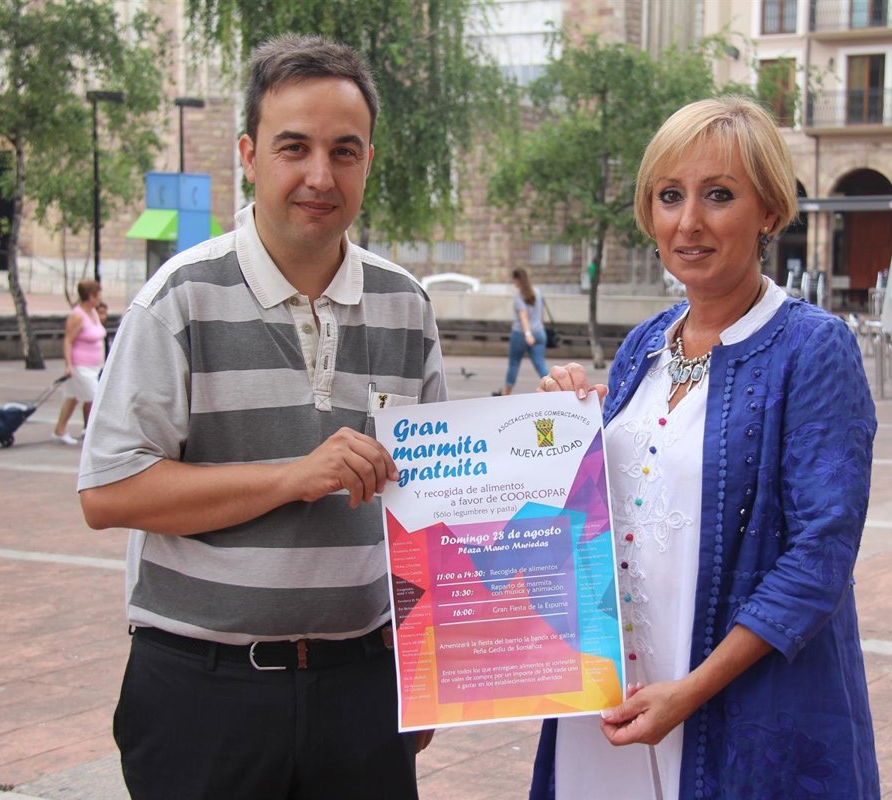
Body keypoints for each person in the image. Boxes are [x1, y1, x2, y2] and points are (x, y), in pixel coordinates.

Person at [77, 35, 444, 800]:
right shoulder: (179, 298)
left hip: (364, 689)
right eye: (293, 147)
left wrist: (427, 669)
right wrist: (291, 477)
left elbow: (435, 506)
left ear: (369, 160)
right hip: (203, 694)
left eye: (344, 151)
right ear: (248, 155)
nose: (320, 176)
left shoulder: (406, 306)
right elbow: (108, 492)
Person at [530, 96, 880, 799]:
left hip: (741, 702)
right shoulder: (644, 347)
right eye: (669, 196)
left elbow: (821, 554)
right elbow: (601, 517)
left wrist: (690, 692)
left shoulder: (812, 348)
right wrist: (558, 432)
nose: (687, 222)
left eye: (718, 195)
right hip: (611, 693)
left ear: (769, 211)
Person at [52, 278, 106, 445]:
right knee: (96, 397)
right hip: (80, 365)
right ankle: (91, 433)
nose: (100, 298)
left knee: (73, 397)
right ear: (90, 296)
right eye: (98, 295)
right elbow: (68, 340)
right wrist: (68, 365)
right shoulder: (77, 316)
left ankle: (60, 430)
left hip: (93, 365)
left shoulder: (93, 312)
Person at [494, 266, 548, 396]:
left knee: (514, 364)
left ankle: (506, 394)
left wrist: (528, 334)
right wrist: (538, 328)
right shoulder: (537, 292)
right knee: (540, 364)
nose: (513, 283)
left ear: (517, 279)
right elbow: (541, 314)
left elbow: (523, 316)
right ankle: (553, 388)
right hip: (539, 332)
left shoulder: (519, 296)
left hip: (521, 334)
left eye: (514, 280)